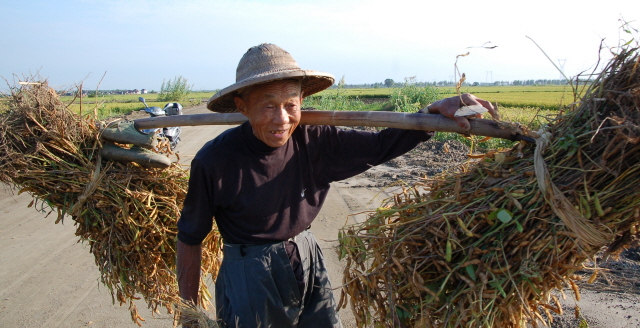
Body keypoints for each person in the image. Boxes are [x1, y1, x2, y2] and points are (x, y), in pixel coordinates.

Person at [176, 43, 495, 328]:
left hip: (306, 256)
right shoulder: (214, 161)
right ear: (242, 105)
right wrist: (190, 312)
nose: (282, 119)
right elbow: (190, 237)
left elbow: (380, 145)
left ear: (302, 99)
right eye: (268, 105)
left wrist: (431, 114)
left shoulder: (315, 140)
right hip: (250, 271)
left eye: (290, 104)